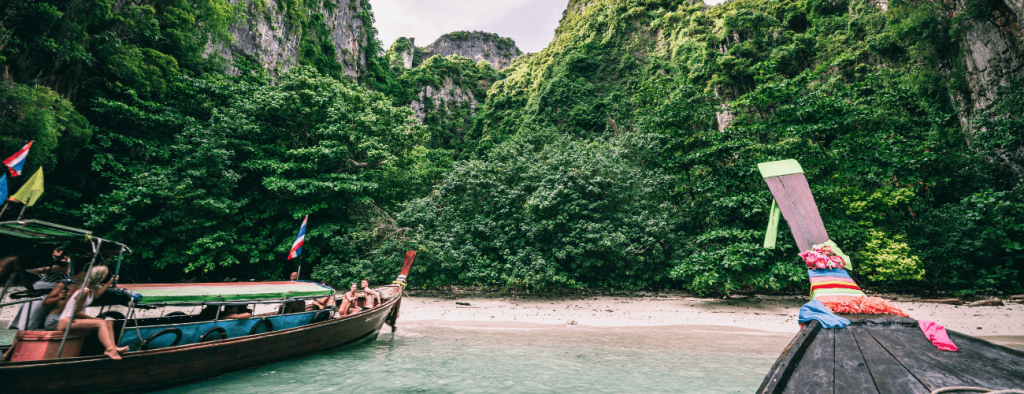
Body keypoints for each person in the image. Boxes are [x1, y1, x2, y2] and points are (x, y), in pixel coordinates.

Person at [55, 265, 127, 360]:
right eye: (103, 277)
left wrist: (109, 282)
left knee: (109, 322)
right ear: (99, 277)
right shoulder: (84, 291)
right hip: (66, 321)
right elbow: (76, 312)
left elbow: (96, 295)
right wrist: (94, 319)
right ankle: (109, 350)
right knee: (101, 323)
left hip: (72, 320)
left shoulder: (89, 290)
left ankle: (113, 347)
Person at [6, 247, 73, 331]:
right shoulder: (57, 263)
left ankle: (28, 329)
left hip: (48, 292)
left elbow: (40, 270)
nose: (53, 255)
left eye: (56, 253)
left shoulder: (65, 264)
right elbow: (44, 274)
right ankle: (23, 329)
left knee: (33, 313)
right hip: (39, 290)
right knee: (27, 311)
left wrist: (21, 269)